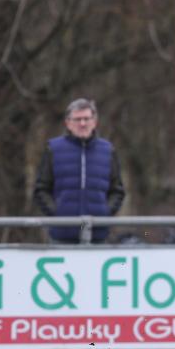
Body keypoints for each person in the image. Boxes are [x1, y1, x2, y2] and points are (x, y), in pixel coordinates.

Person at [33, 98, 125, 243]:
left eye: (86, 119)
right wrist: (57, 213)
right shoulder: (53, 149)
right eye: (77, 119)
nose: (82, 123)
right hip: (61, 235)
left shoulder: (108, 150)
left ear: (94, 122)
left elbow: (117, 190)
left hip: (98, 235)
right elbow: (41, 190)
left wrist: (105, 213)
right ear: (68, 123)